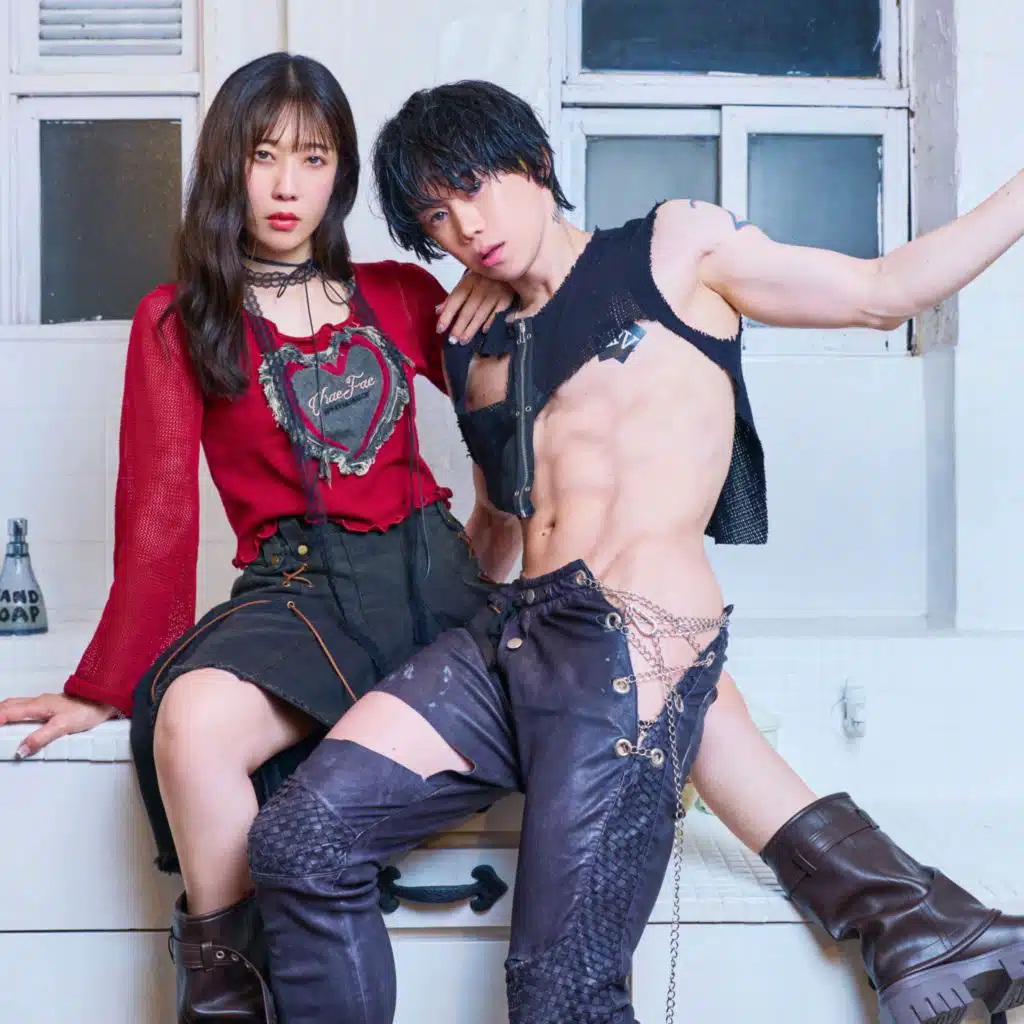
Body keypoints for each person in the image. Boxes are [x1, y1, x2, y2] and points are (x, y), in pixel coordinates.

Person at [245, 80, 1024, 1024]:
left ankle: (916, 921)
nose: (468, 228)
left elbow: (883, 292)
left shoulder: (673, 248)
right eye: (438, 217)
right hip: (510, 639)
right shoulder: (475, 346)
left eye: (476, 187)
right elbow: (499, 518)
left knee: (559, 991)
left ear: (535, 161)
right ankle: (918, 923)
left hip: (630, 638)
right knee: (299, 842)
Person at [0, 56, 514, 1023]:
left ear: (340, 172)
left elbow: (518, 417)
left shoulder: (402, 293)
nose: (286, 184)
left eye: (313, 158)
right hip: (298, 594)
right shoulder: (180, 319)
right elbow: (158, 516)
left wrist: (501, 287)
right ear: (226, 166)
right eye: (263, 154)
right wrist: (105, 684)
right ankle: (231, 1001)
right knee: (189, 721)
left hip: (433, 582)